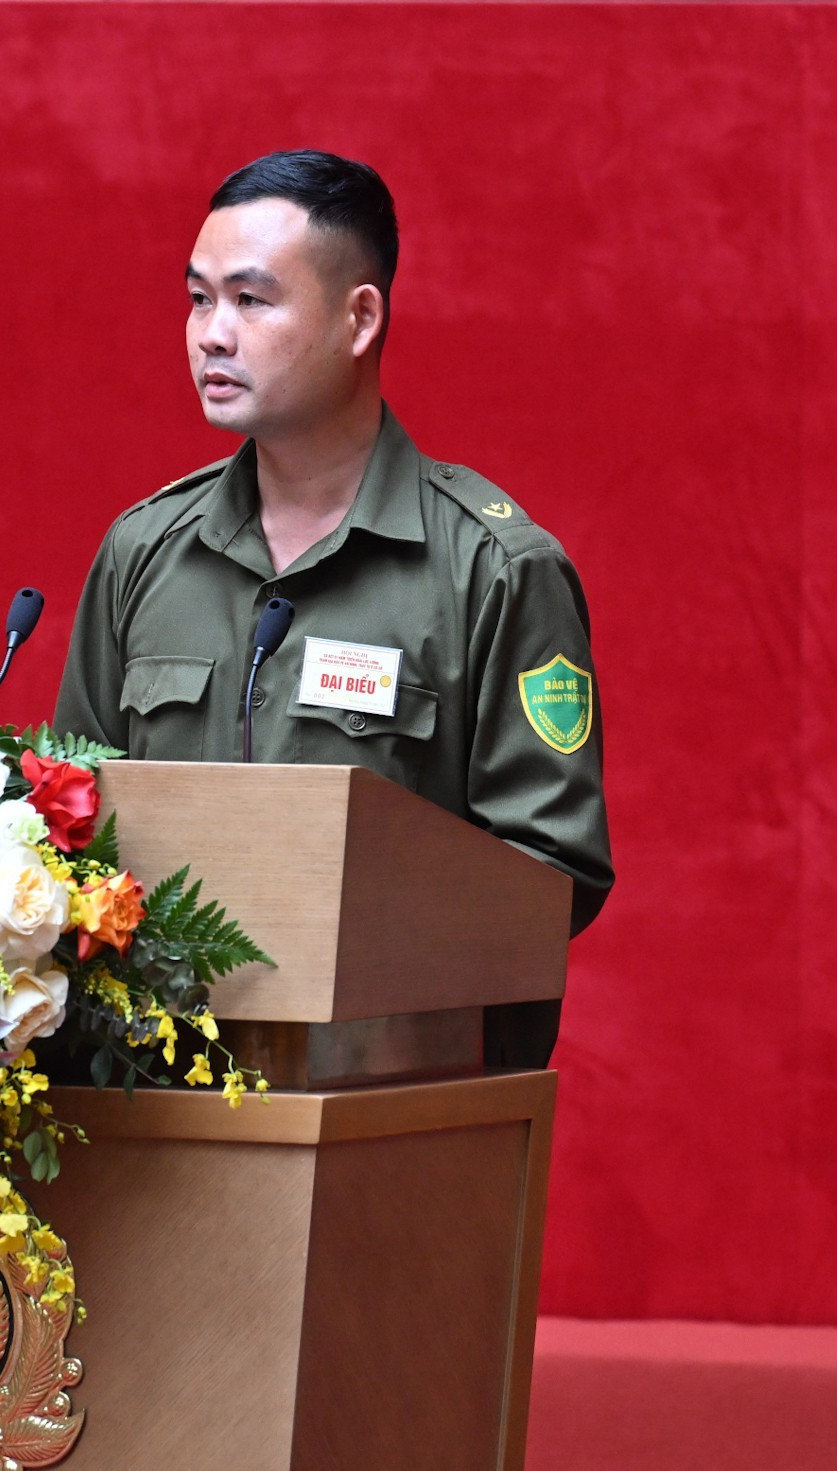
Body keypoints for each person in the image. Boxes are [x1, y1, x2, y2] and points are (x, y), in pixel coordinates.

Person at [53, 150, 613, 1069]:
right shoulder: (144, 553)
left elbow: (552, 879)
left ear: (361, 318)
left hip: (391, 1107)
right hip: (150, 1110)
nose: (211, 335)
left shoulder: (494, 568)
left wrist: (332, 920)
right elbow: (67, 818)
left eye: (251, 299)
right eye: (198, 299)